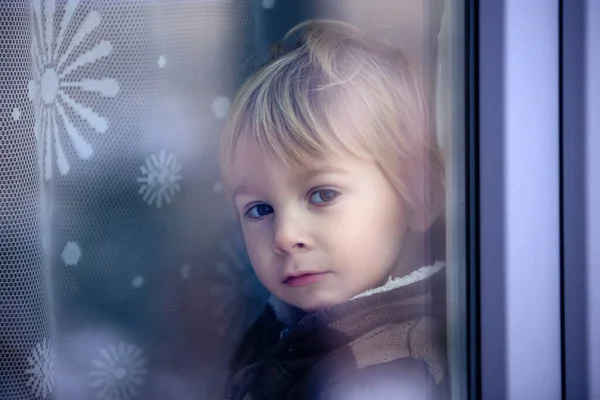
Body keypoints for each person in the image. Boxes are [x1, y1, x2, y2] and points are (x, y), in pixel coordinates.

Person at [218, 19, 447, 400]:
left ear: (419, 195)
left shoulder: (389, 376)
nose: (285, 237)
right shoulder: (280, 330)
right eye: (259, 209)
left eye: (322, 195)